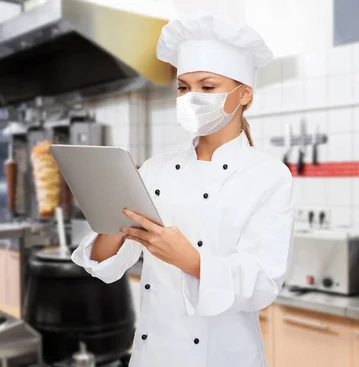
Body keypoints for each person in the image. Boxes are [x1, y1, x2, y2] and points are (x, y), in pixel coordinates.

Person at [72, 14, 294, 367]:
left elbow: (262, 283)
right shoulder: (156, 169)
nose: (192, 98)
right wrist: (109, 213)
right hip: (153, 355)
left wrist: (189, 259)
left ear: (244, 94)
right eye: (183, 87)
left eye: (207, 87)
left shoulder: (268, 176)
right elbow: (104, 266)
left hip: (225, 357)